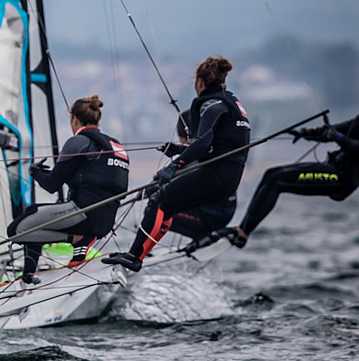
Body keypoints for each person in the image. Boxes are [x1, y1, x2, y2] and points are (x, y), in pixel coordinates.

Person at [104, 56, 250, 271]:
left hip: (217, 175)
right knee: (167, 206)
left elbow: (202, 143)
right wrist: (179, 150)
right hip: (227, 177)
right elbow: (214, 148)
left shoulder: (211, 104)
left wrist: (174, 167)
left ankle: (135, 256)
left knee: (159, 199)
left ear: (199, 82)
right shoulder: (230, 102)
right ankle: (137, 255)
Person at [7, 95, 129, 284]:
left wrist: (35, 172)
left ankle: (75, 240)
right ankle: (29, 276)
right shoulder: (116, 146)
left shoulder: (78, 141)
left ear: (74, 119)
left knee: (17, 229)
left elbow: (51, 185)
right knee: (36, 214)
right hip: (105, 222)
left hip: (82, 215)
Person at [210, 114, 359, 248]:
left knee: (277, 180)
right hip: (335, 168)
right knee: (271, 174)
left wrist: (337, 137)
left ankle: (242, 234)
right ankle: (241, 229)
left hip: (343, 178)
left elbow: (352, 144)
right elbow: (331, 131)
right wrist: (306, 132)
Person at [160, 110, 237, 242]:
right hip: (227, 213)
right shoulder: (213, 149)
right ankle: (207, 237)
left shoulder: (194, 155)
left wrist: (152, 189)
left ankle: (203, 238)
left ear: (183, 137)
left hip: (210, 216)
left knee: (157, 209)